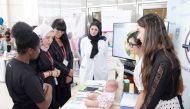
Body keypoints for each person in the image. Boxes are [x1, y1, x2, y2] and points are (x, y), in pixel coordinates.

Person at [135, 13, 184, 109]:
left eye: (139, 31)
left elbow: (150, 102)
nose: (138, 37)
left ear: (150, 32)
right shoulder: (161, 55)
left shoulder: (163, 62)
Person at [5, 22, 52, 109]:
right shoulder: (27, 75)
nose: (39, 50)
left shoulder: (10, 64)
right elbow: (44, 105)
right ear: (30, 50)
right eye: (38, 48)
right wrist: (50, 88)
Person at [32, 24, 61, 109]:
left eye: (52, 38)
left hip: (51, 85)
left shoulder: (46, 49)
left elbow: (49, 64)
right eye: (47, 38)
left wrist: (54, 69)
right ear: (40, 38)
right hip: (43, 87)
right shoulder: (35, 53)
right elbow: (35, 76)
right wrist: (51, 73)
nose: (50, 41)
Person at [49, 19, 74, 107]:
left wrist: (70, 74)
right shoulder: (50, 41)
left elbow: (70, 56)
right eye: (58, 30)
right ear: (53, 28)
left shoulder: (65, 39)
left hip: (67, 76)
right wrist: (68, 71)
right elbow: (54, 61)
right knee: (58, 101)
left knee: (67, 102)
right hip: (58, 76)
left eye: (62, 30)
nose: (60, 32)